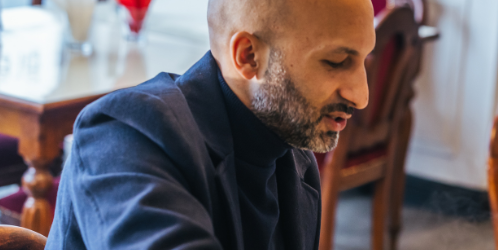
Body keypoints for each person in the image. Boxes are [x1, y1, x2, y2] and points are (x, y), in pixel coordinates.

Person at [45, 0, 375, 248]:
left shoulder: (296, 161)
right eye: (335, 62)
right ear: (248, 56)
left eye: (363, 60)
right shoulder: (126, 136)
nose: (361, 96)